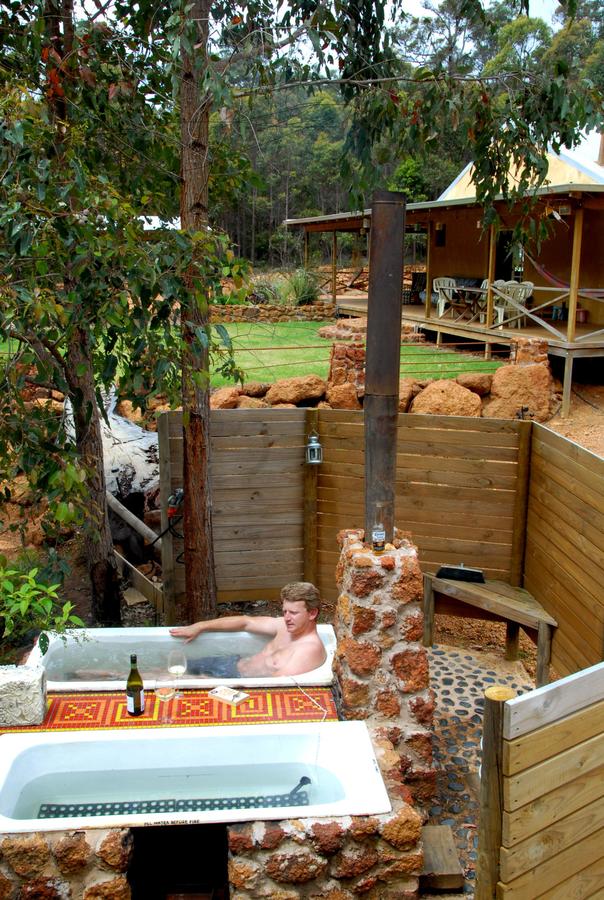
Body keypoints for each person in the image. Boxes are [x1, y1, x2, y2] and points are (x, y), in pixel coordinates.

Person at [169, 582, 326, 678]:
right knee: (168, 670)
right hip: (232, 662)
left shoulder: (309, 650)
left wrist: (211, 682)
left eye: (293, 613)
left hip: (237, 681)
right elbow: (245, 622)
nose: (286, 618)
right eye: (285, 611)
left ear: (312, 613)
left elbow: (275, 685)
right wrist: (200, 626)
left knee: (169, 679)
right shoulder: (284, 626)